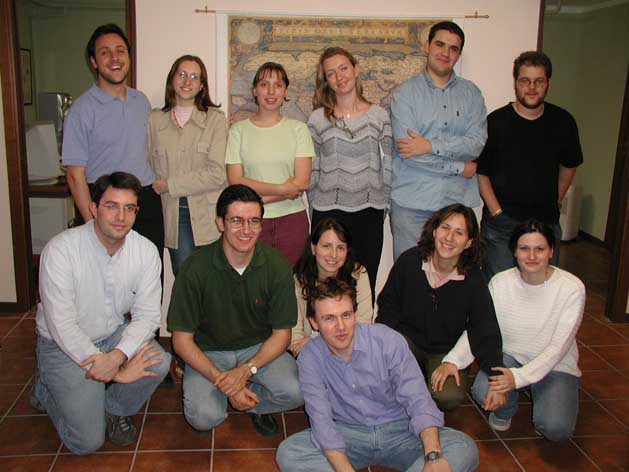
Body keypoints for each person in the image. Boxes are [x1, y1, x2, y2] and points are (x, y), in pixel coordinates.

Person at [31, 172, 171, 454]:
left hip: (111, 336)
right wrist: (113, 371)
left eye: (129, 208)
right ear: (94, 209)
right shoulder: (61, 250)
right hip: (61, 346)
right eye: (111, 206)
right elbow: (62, 325)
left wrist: (118, 357)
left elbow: (147, 316)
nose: (121, 216)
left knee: (159, 362)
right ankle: (46, 387)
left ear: (136, 212)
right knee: (86, 443)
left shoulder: (144, 251)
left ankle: (114, 408)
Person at [276, 278, 479, 472]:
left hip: (402, 431)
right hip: (349, 435)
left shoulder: (387, 340)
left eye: (346, 315)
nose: (341, 327)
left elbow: (419, 401)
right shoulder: (310, 356)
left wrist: (433, 456)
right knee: (288, 454)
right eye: (329, 318)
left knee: (463, 447)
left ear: (355, 314)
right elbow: (321, 421)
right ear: (314, 323)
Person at [167, 184, 304, 437]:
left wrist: (245, 372)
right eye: (237, 221)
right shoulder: (195, 268)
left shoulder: (276, 265)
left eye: (254, 221)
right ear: (220, 222)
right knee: (203, 418)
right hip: (209, 352)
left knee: (298, 391)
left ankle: (251, 404)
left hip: (257, 350)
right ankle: (231, 393)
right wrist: (225, 381)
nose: (246, 230)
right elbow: (181, 341)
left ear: (261, 225)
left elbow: (282, 334)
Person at [377, 204, 505, 412]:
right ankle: (412, 385)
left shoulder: (473, 279)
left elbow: (485, 329)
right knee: (384, 378)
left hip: (446, 353)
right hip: (408, 343)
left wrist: (496, 378)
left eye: (459, 232)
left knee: (447, 396)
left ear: (468, 243)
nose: (449, 238)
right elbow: (388, 307)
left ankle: (419, 388)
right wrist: (382, 349)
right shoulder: (410, 261)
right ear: (434, 230)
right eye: (445, 228)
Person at [471, 220, 585, 441]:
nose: (532, 256)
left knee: (556, 429)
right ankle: (506, 409)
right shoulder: (500, 282)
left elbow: (557, 349)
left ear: (551, 251)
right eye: (524, 248)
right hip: (510, 357)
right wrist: (453, 361)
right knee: (482, 390)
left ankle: (539, 388)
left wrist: (517, 378)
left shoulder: (572, 288)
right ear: (514, 251)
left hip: (555, 364)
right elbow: (480, 330)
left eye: (539, 249)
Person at [62, 24, 164, 266]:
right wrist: (92, 224)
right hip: (106, 203)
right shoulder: (81, 110)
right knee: (106, 281)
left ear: (129, 57)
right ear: (94, 62)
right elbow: (75, 176)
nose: (115, 58)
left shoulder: (141, 101)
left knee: (149, 274)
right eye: (105, 52)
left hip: (145, 201)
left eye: (120, 50)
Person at [477, 51, 583, 282]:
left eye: (539, 81)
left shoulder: (563, 122)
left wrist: (555, 198)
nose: (532, 87)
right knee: (498, 290)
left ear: (548, 83)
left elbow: (569, 166)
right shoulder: (495, 123)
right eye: (525, 80)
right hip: (502, 225)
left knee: (542, 290)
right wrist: (497, 212)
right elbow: (482, 173)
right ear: (515, 83)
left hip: (546, 223)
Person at [390, 21, 487, 260]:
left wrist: (430, 146)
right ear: (427, 46)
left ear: (459, 54)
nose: (446, 53)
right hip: (412, 205)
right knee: (411, 276)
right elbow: (408, 153)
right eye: (440, 44)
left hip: (457, 206)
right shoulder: (404, 94)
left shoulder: (472, 94)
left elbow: (476, 143)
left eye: (453, 48)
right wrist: (459, 166)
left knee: (454, 280)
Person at [308, 47, 393, 296]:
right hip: (328, 212)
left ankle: (362, 334)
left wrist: (383, 204)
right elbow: (313, 168)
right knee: (326, 287)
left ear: (356, 70)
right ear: (326, 80)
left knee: (364, 284)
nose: (339, 77)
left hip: (369, 212)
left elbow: (388, 163)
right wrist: (316, 205)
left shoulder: (379, 115)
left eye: (343, 68)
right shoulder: (316, 119)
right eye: (331, 73)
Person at [226, 62, 314, 266]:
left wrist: (258, 199)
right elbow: (236, 181)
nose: (271, 91)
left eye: (278, 85)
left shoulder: (298, 130)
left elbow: (300, 183)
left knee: (289, 287)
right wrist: (283, 189)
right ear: (254, 90)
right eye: (265, 84)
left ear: (285, 91)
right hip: (251, 223)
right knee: (253, 287)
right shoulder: (238, 131)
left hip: (292, 221)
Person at [147, 54, 227, 276]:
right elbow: (147, 164)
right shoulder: (154, 120)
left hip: (208, 214)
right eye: (181, 74)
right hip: (173, 214)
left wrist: (169, 184)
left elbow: (217, 174)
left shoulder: (215, 119)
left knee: (214, 285)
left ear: (202, 85)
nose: (187, 81)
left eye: (194, 77)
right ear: (172, 79)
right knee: (185, 283)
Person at [290, 218, 373, 356]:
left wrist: (314, 340)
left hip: (350, 351)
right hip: (310, 356)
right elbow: (295, 340)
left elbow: (363, 328)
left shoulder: (359, 274)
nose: (333, 255)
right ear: (313, 248)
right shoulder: (297, 281)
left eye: (340, 248)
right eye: (326, 246)